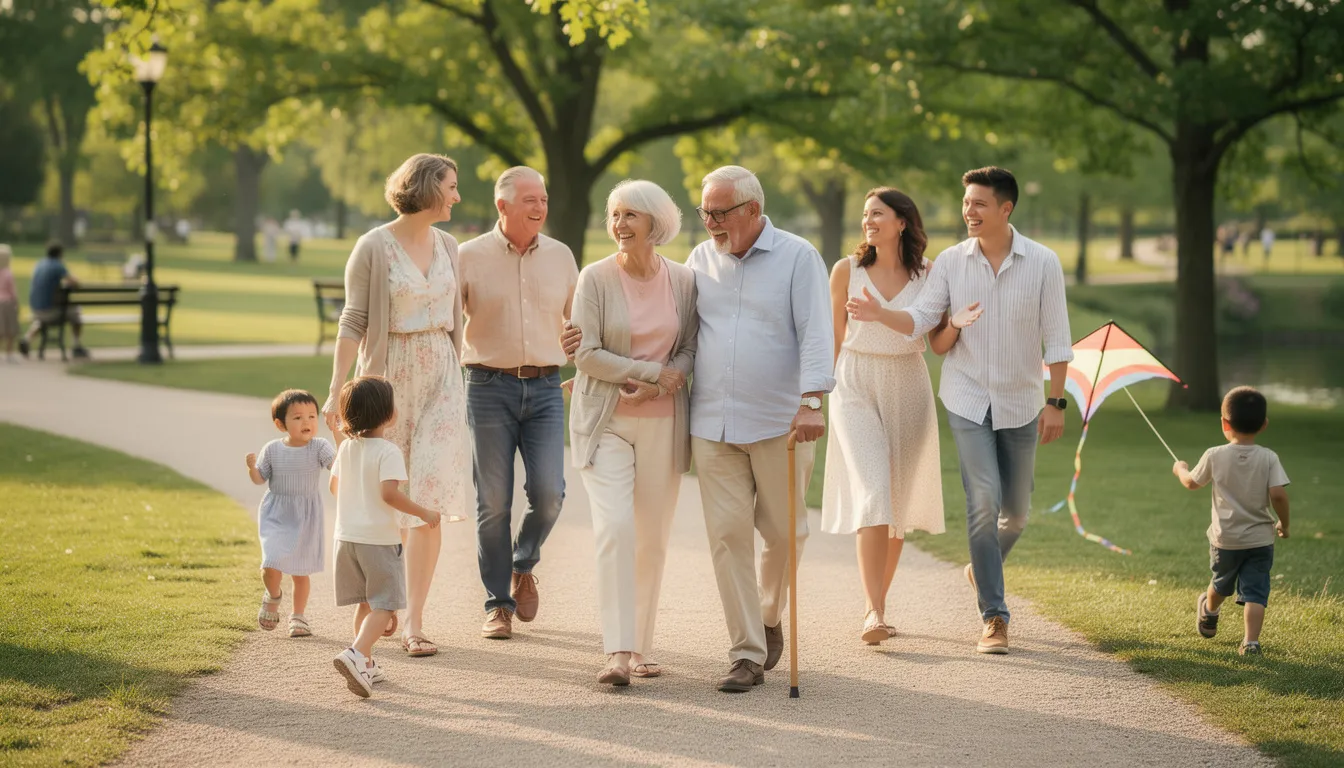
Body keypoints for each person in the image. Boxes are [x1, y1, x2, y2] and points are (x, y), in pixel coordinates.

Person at [848, 166, 1071, 654]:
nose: (969, 211)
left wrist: (1055, 402)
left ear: (1005, 209)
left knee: (1016, 512)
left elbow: (1057, 336)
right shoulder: (950, 263)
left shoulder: (1043, 262)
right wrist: (880, 313)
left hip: (1022, 400)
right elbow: (924, 324)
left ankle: (980, 564)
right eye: (966, 203)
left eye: (979, 204)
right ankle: (994, 617)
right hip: (967, 398)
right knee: (983, 498)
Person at [687, 165, 833, 692]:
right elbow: (678, 332)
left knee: (785, 533)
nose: (709, 223)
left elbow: (817, 331)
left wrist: (812, 401)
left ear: (752, 209)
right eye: (704, 212)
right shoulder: (700, 259)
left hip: (781, 422)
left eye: (719, 213)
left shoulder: (798, 257)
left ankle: (770, 615)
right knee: (727, 536)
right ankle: (746, 650)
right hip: (712, 423)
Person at [323, 153, 471, 659]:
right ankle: (382, 603)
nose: (456, 196)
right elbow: (353, 320)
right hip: (390, 378)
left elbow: (460, 319)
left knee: (428, 496)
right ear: (427, 187)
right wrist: (335, 389)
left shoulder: (450, 245)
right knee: (395, 491)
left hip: (444, 379)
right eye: (450, 186)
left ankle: (415, 622)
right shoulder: (373, 246)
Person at [822, 188, 971, 645]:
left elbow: (935, 338)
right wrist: (815, 397)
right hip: (855, 383)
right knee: (874, 491)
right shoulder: (846, 271)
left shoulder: (928, 273)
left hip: (908, 383)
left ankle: (878, 608)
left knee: (898, 504)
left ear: (902, 222)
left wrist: (955, 323)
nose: (869, 221)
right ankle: (872, 611)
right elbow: (833, 339)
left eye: (878, 214)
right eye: (866, 214)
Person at [569, 180, 698, 685]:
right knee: (616, 529)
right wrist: (648, 375)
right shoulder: (595, 279)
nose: (620, 225)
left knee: (652, 539)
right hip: (606, 423)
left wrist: (670, 377)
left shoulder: (684, 281)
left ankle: (642, 646)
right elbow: (586, 354)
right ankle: (617, 652)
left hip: (664, 425)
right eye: (615, 214)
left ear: (655, 223)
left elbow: (688, 348)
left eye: (631, 216)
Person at [459, 167, 578, 640]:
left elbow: (578, 320)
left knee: (550, 494)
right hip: (487, 387)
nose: (540, 206)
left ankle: (522, 563)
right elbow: (448, 324)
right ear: (502, 206)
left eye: (544, 198)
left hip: (547, 388)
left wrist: (577, 340)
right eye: (529, 199)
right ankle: (497, 604)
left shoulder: (562, 256)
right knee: (492, 502)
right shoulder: (467, 256)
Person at [329, 376, 442, 698]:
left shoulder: (347, 447)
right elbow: (389, 494)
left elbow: (334, 487)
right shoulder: (388, 451)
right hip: (377, 541)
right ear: (388, 414)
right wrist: (424, 513)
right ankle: (355, 652)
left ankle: (364, 660)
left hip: (346, 538)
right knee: (386, 606)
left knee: (365, 602)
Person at [1173, 386, 1290, 656]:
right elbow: (1279, 496)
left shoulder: (1215, 454)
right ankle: (1250, 642)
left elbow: (1191, 483)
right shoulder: (1269, 457)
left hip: (1225, 539)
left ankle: (1210, 610)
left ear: (1224, 423)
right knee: (1256, 592)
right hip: (1261, 540)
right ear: (1264, 425)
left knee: (1220, 583)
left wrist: (1180, 469)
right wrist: (1284, 524)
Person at [245, 389, 335, 638]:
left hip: (306, 515)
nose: (306, 422)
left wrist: (340, 435)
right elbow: (259, 479)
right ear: (280, 423)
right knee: (270, 562)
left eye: (311, 416)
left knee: (300, 570)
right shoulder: (272, 449)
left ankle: (298, 616)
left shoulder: (319, 447)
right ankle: (273, 595)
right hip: (277, 512)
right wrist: (252, 468)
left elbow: (336, 466)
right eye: (297, 418)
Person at [18, 242, 88, 360]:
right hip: (51, 311)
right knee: (76, 312)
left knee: (42, 319)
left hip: (36, 310)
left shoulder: (39, 264)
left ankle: (27, 339)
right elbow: (75, 282)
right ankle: (76, 345)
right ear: (60, 254)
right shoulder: (58, 265)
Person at [0, 245, 18, 362]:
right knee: (10, 330)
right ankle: (9, 353)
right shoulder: (8, 273)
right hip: (7, 303)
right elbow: (12, 291)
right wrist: (17, 302)